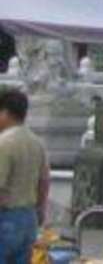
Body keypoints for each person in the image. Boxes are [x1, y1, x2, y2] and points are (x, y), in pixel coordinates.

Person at [0, 85, 49, 264]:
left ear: (5, 113)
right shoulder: (36, 142)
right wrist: (41, 209)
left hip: (6, 218)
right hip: (29, 217)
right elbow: (44, 180)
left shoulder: (4, 143)